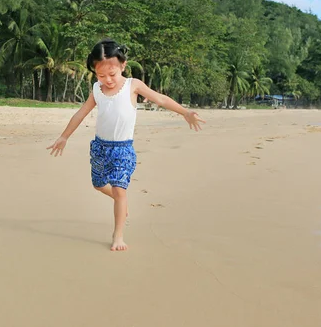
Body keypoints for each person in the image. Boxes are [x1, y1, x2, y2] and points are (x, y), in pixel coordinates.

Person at [47, 38, 205, 251]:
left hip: (123, 149)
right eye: (101, 75)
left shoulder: (133, 85)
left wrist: (185, 112)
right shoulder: (97, 90)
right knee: (98, 184)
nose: (108, 80)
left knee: (120, 190)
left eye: (112, 74)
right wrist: (64, 136)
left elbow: (161, 100)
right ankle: (120, 202)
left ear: (123, 65)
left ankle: (118, 235)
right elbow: (80, 114)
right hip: (100, 147)